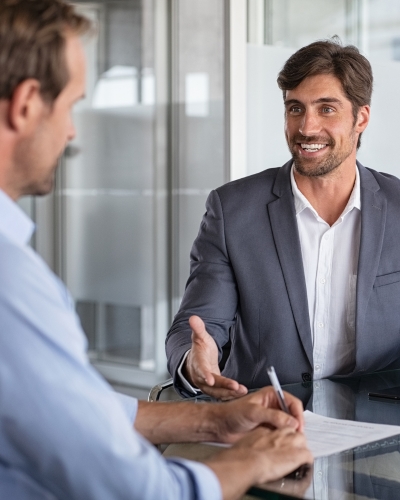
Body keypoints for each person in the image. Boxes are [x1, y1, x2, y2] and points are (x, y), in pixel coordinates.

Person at [0, 1, 313, 499]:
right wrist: (251, 460)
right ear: (26, 104)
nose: (73, 131)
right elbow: (141, 490)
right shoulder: (11, 285)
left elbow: (74, 411)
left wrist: (214, 424)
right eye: (72, 106)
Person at [166, 37, 400, 400]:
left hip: (381, 431)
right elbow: (199, 324)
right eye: (295, 109)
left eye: (326, 109)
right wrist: (196, 361)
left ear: (361, 118)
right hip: (263, 424)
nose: (306, 128)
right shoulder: (232, 210)